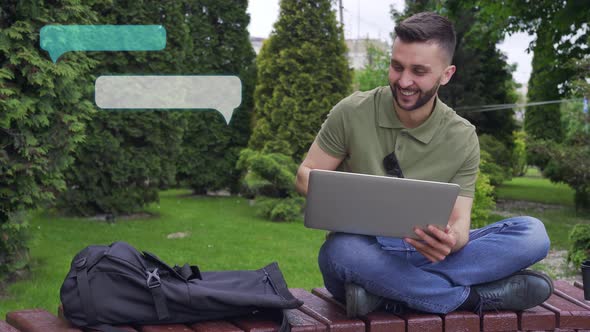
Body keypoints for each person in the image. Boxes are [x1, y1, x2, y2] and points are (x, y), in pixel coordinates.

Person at [295, 12, 552, 317]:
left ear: (446, 74)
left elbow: (460, 222)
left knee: (533, 234)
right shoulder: (351, 112)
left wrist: (451, 241)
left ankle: (385, 296)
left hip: (430, 256)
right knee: (340, 252)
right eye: (396, 67)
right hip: (366, 253)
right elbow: (304, 175)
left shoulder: (462, 136)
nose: (404, 81)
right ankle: (472, 299)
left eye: (418, 71)